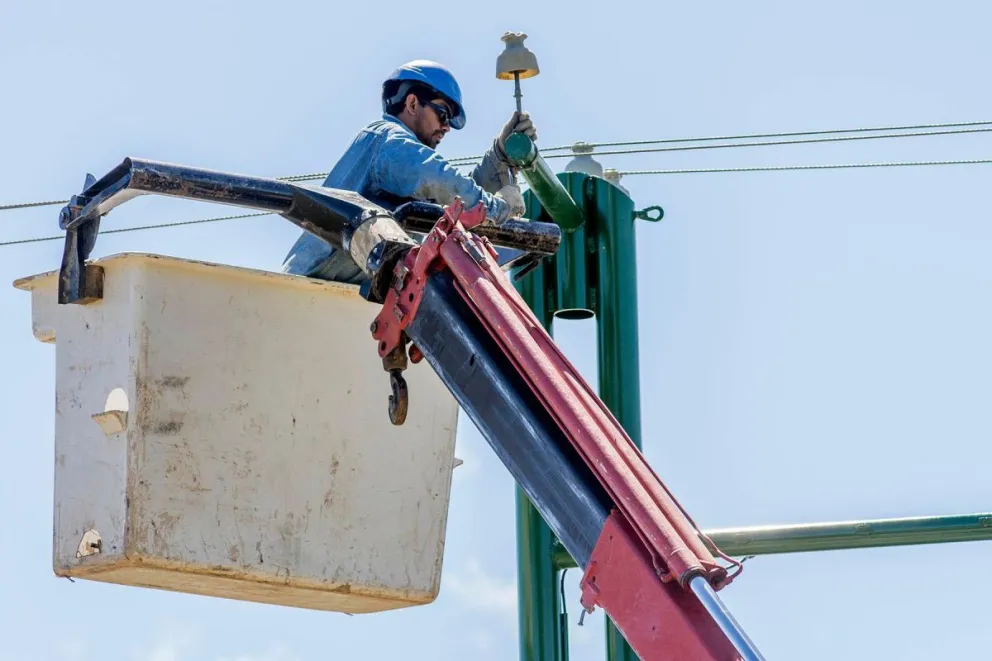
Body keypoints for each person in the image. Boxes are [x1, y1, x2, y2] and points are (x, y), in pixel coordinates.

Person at [281, 59, 537, 284]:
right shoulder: (386, 139)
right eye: (443, 115)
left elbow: (451, 207)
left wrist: (497, 158)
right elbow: (439, 180)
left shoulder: (401, 173)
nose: (446, 128)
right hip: (310, 285)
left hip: (339, 287)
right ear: (412, 103)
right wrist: (498, 208)